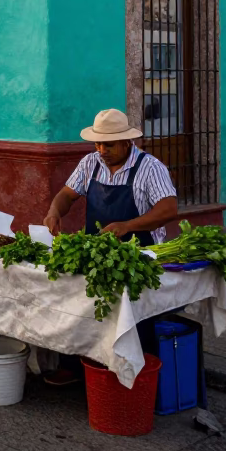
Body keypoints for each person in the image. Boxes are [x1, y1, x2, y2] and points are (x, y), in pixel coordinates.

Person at [40, 108, 179, 385]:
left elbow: (168, 209)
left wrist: (127, 226)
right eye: (98, 143)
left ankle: (134, 372)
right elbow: (66, 195)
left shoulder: (150, 168)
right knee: (80, 305)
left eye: (109, 145)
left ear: (127, 141)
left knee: (131, 318)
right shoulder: (90, 163)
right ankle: (78, 365)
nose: (102, 150)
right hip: (97, 250)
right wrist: (55, 212)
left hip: (138, 255)